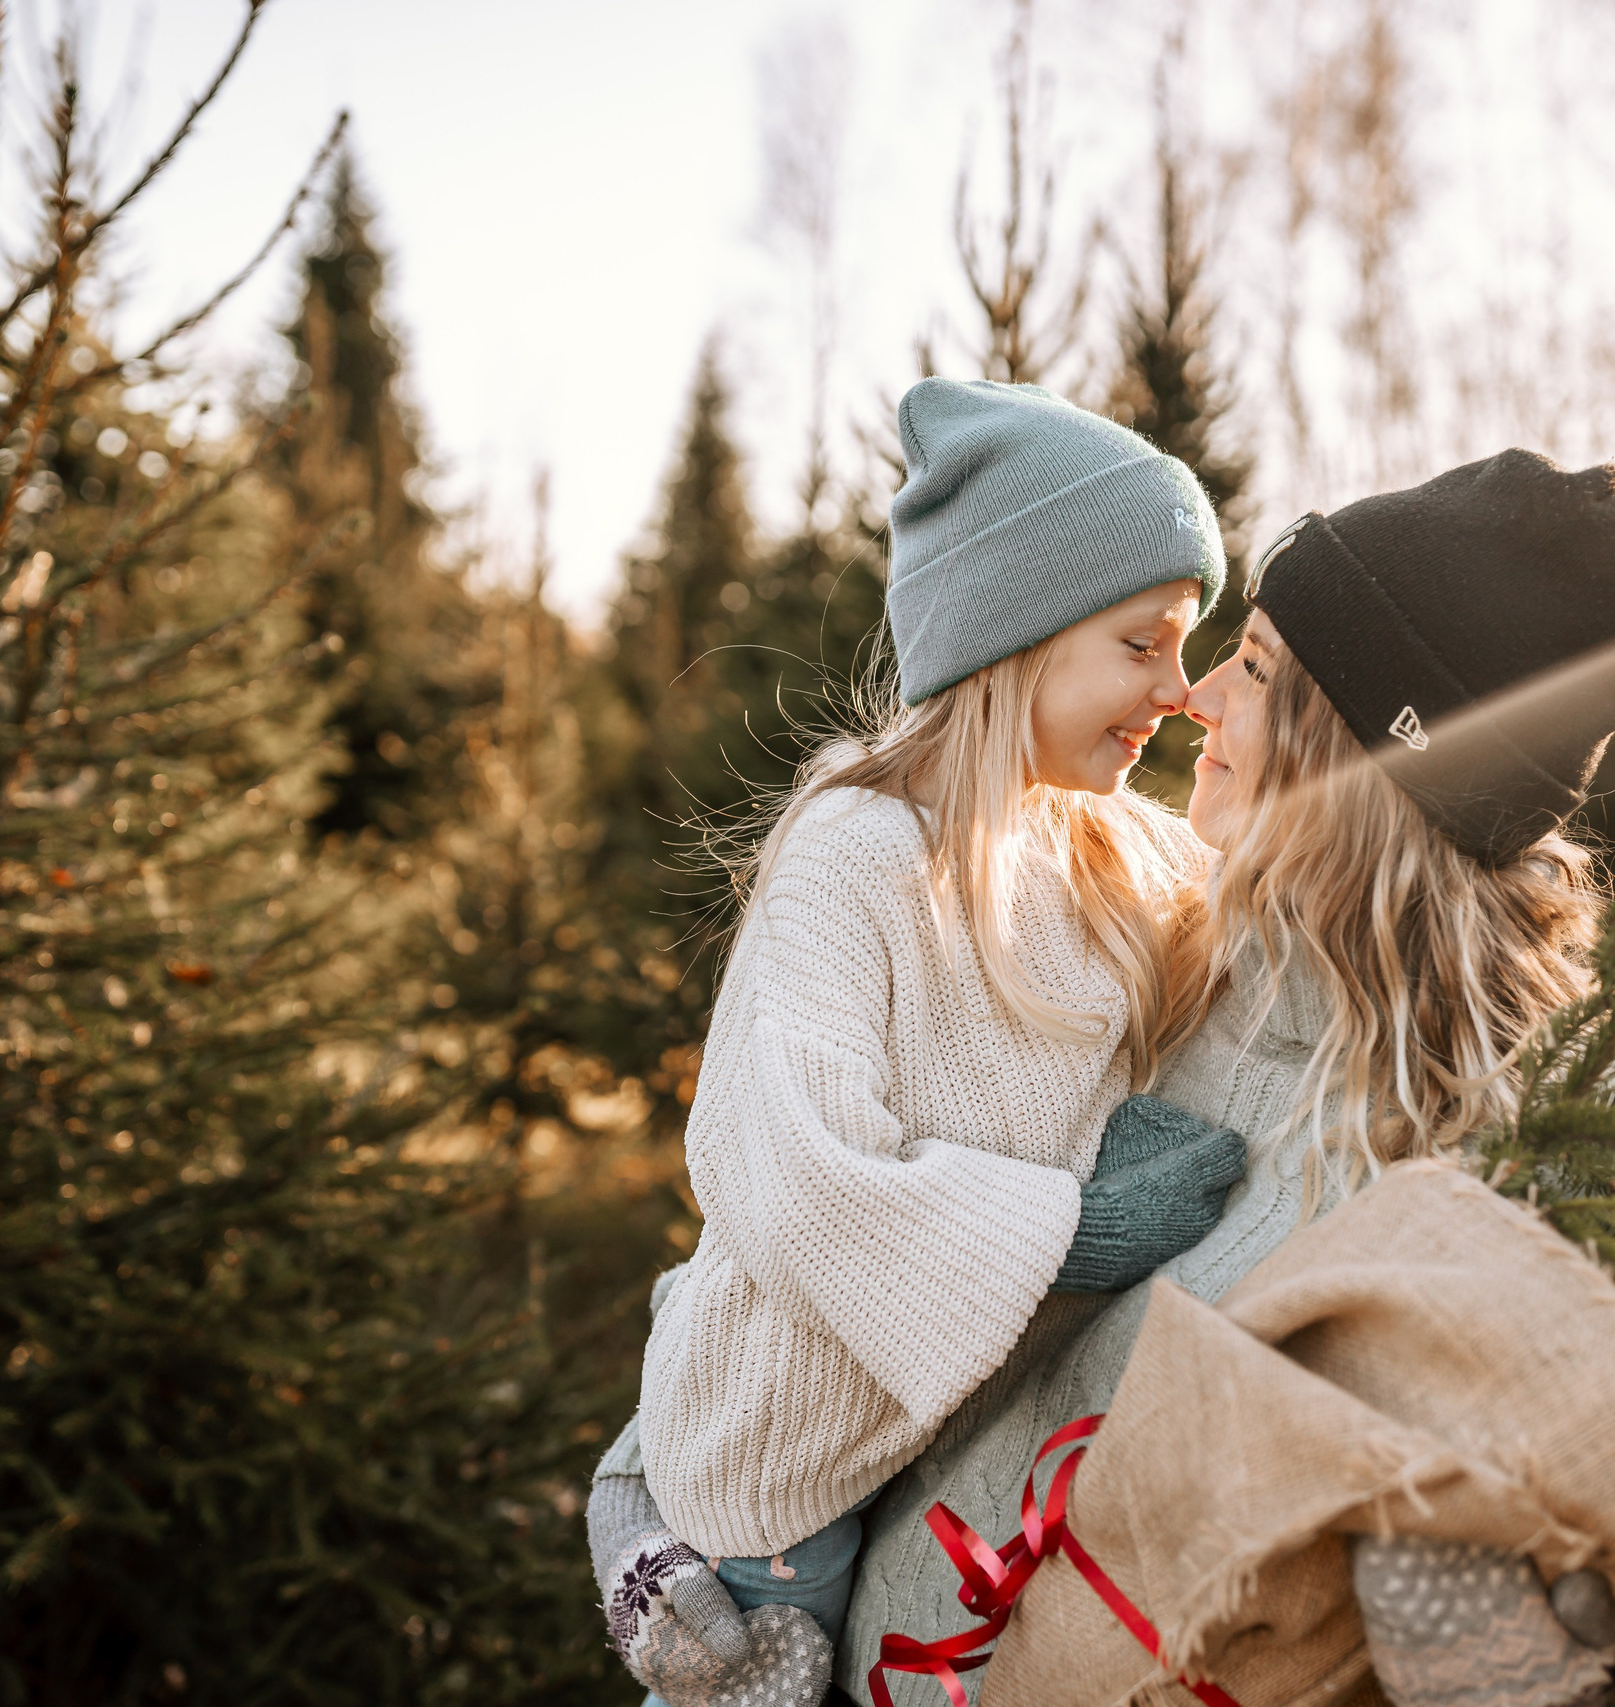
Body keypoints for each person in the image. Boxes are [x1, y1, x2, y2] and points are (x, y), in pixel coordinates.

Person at [842, 448, 1615, 1707]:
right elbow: (848, 1228)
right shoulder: (1138, 972)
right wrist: (661, 1503)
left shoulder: (1540, 1138)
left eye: (1253, 668)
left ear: (1356, 748)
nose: (1196, 702)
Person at [587, 379, 1253, 1707]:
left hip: (942, 1446)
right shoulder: (857, 852)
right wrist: (1077, 1228)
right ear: (1017, 637)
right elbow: (800, 1172)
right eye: (1142, 644)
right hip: (782, 1488)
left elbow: (1294, 914)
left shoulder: (1107, 845)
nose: (1177, 693)